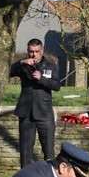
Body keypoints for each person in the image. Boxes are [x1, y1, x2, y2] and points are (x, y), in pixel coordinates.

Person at [10, 38, 60, 168]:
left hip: (44, 113)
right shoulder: (23, 65)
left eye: (37, 51)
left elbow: (56, 86)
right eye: (31, 51)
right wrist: (21, 62)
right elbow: (8, 72)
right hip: (26, 113)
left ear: (42, 51)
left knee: (49, 151)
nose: (34, 54)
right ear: (28, 51)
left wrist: (41, 79)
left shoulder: (50, 65)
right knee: (25, 152)